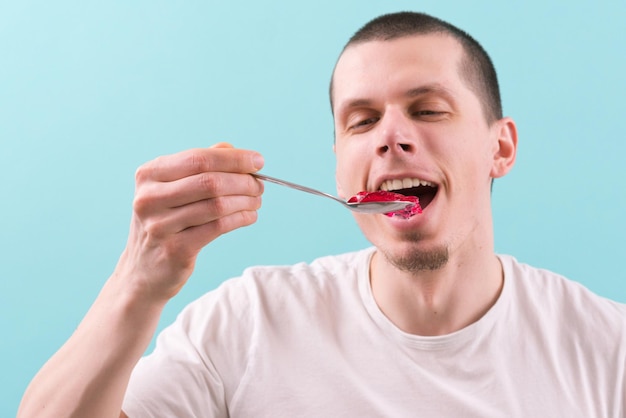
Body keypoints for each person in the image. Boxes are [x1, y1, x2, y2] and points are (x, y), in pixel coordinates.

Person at [18, 11, 626, 418]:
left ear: (500, 147)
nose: (391, 137)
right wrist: (137, 283)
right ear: (340, 163)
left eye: (429, 109)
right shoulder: (247, 324)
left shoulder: (608, 351)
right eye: (361, 121)